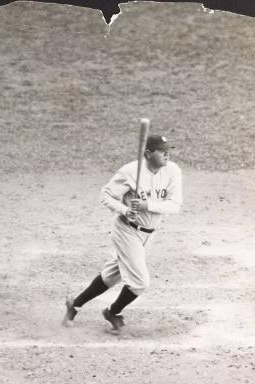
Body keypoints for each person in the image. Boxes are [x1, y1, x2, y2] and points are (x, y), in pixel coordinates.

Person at [62, 134, 182, 330]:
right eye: (162, 151)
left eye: (169, 150)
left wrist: (146, 205)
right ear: (148, 154)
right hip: (126, 230)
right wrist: (126, 210)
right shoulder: (129, 172)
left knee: (111, 276)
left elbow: (174, 205)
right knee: (140, 282)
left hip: (149, 234)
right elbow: (105, 196)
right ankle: (113, 312)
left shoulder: (173, 171)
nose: (167, 154)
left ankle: (74, 306)